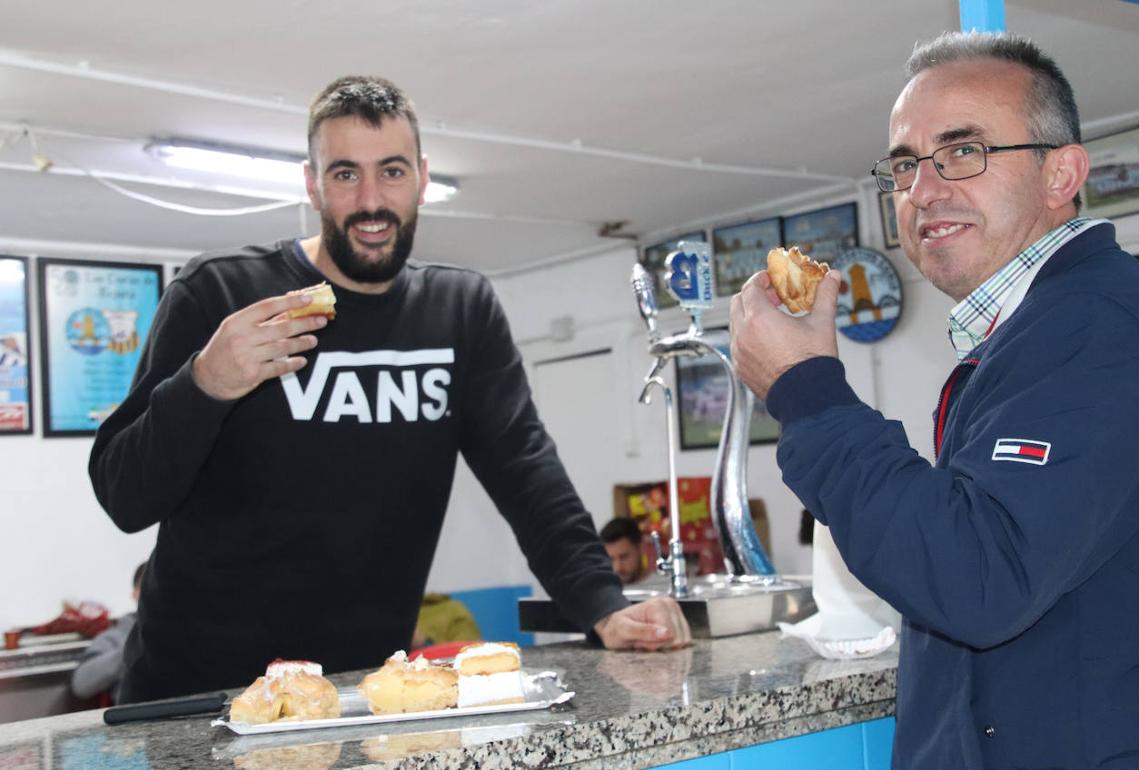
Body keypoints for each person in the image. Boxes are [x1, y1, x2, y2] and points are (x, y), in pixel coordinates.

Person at [730, 32, 1139, 769]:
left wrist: (807, 391)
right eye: (905, 165)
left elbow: (977, 580)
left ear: (1061, 173)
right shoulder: (1044, 329)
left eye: (963, 152)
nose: (923, 190)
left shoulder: (1096, 325)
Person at [89, 75, 689, 704]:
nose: (371, 200)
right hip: (195, 696)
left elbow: (527, 473)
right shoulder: (221, 293)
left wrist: (602, 604)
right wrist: (204, 384)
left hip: (359, 695)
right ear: (312, 182)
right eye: (345, 174)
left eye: (392, 172)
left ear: (423, 178)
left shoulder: (460, 310)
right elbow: (124, 497)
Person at [70, 562, 146, 704]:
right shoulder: (114, 637)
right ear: (135, 594)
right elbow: (81, 683)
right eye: (148, 589)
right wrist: (136, 647)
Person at [599, 517, 652, 585]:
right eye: (610, 559)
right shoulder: (600, 591)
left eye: (624, 557)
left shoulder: (666, 587)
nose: (617, 568)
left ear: (641, 548)